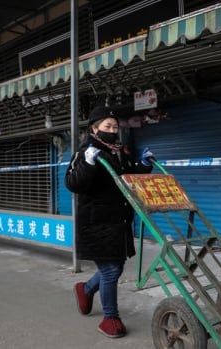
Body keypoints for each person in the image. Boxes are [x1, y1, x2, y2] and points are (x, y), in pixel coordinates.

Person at [65, 105, 155, 338]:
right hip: (96, 223)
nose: (113, 130)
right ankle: (110, 318)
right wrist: (88, 163)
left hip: (118, 220)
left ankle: (85, 290)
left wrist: (143, 166)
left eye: (115, 126)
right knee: (111, 270)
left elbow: (129, 176)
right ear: (95, 128)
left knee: (115, 267)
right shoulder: (85, 152)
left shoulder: (118, 151)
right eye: (107, 126)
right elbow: (73, 183)